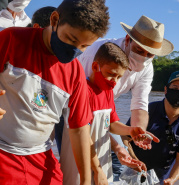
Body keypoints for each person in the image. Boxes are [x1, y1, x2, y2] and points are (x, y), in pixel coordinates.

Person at [0, 0, 109, 184]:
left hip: (40, 156)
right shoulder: (10, 39)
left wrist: (86, 177)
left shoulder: (75, 73)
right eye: (71, 39)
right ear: (55, 19)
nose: (75, 50)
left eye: (84, 46)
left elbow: (79, 129)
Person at [60, 42, 153, 185]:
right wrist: (97, 170)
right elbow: (84, 136)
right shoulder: (83, 92)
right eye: (111, 74)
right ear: (95, 66)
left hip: (102, 165)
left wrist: (131, 130)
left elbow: (112, 124)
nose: (114, 82)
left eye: (119, 77)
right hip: (79, 165)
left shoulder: (108, 92)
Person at [125, 70, 179, 185]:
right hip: (131, 175)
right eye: (175, 87)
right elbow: (125, 137)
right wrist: (133, 160)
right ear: (166, 90)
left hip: (160, 181)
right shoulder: (147, 111)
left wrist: (172, 179)